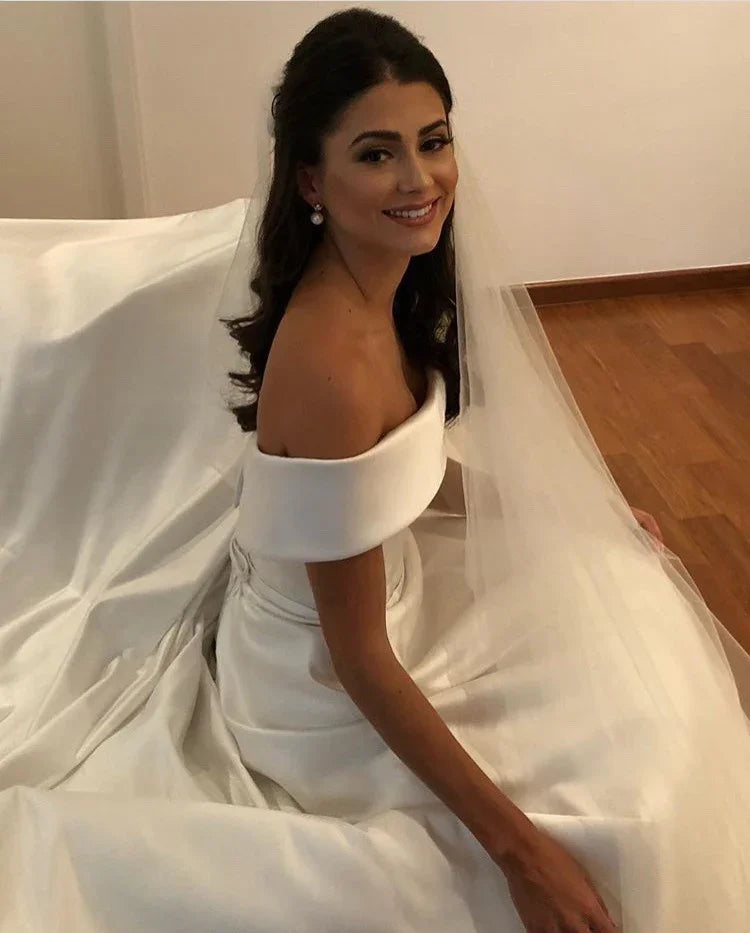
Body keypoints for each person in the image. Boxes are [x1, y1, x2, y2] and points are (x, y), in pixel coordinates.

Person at [215, 9, 750, 932]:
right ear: (312, 178)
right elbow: (358, 661)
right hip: (321, 679)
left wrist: (579, 510)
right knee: (619, 797)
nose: (420, 179)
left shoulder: (387, 282)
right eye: (376, 154)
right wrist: (523, 852)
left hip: (386, 590)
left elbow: (397, 476)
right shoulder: (330, 364)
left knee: (633, 601)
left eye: (434, 141)